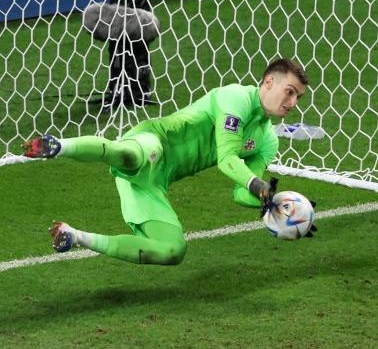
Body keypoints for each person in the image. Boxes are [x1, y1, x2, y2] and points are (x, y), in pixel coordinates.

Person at [23, 58, 310, 265]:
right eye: (290, 91)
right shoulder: (236, 97)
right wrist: (257, 185)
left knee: (172, 250)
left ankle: (75, 236)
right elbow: (227, 159)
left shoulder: (268, 140)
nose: (293, 102)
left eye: (298, 96)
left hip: (156, 182)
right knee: (130, 155)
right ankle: (59, 146)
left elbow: (241, 192)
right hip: (155, 141)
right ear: (269, 82)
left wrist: (272, 205)